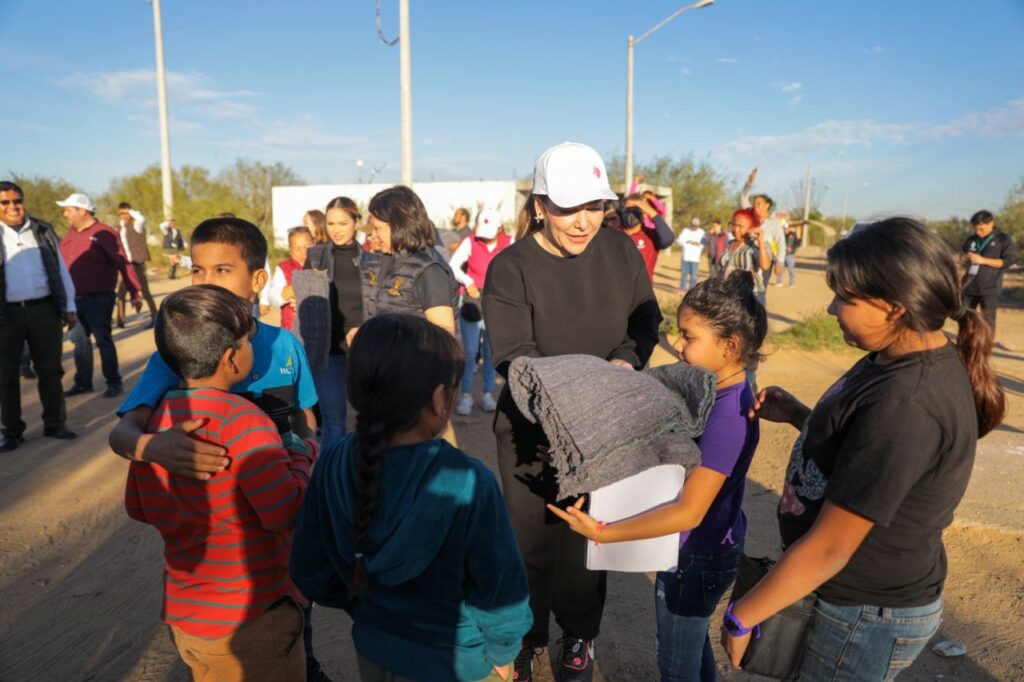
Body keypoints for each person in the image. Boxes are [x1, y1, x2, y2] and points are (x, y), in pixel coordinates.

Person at [721, 218, 1006, 680]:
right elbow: (862, 447)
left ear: (894, 308)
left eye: (845, 298)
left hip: (863, 612)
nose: (832, 308)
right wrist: (803, 417)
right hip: (853, 601)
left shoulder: (908, 403)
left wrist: (743, 615)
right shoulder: (898, 354)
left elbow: (831, 546)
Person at [108, 216, 329, 682]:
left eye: (222, 270)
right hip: (238, 567)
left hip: (280, 551)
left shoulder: (284, 346)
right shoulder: (177, 351)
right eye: (197, 270)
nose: (206, 281)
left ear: (258, 280)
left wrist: (308, 449)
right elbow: (122, 435)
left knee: (295, 623)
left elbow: (305, 415)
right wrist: (153, 448)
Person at [482, 142, 662, 682]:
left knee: (589, 538)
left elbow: (645, 320)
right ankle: (529, 638)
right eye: (567, 208)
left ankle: (579, 636)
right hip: (530, 431)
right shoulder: (510, 268)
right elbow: (516, 357)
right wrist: (585, 393)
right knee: (531, 542)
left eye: (594, 206)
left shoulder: (622, 251)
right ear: (539, 205)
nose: (583, 221)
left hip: (604, 430)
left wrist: (628, 361)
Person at [547, 272, 767, 682]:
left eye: (689, 337)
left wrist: (603, 532)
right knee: (692, 647)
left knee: (676, 666)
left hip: (695, 555)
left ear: (730, 345)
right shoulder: (714, 394)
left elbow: (688, 511)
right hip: (700, 549)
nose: (678, 347)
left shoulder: (726, 416)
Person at [290, 314, 532, 682]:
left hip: (374, 651)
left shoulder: (332, 462)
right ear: (440, 399)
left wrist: (365, 610)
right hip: (459, 666)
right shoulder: (469, 481)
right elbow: (501, 590)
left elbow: (311, 570)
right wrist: (502, 651)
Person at [0, 181, 78, 451]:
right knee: (5, 375)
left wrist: (69, 306)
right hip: (6, 315)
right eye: (5, 202)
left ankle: (55, 423)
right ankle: (11, 431)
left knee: (51, 370)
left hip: (44, 310)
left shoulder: (42, 230)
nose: (13, 207)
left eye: (17, 200)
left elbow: (61, 270)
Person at [58, 192, 142, 399]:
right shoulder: (70, 235)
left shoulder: (104, 233)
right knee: (79, 341)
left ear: (82, 211)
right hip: (74, 300)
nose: (65, 213)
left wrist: (134, 291)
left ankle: (113, 381)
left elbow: (122, 262)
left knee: (103, 340)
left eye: (68, 209)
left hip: (99, 298)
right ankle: (83, 382)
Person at [303, 197, 365, 450]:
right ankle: (331, 479)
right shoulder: (315, 256)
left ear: (356, 223)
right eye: (331, 223)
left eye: (343, 222)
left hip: (365, 351)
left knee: (369, 420)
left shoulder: (372, 260)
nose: (336, 229)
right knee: (333, 423)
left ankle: (365, 477)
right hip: (328, 353)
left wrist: (365, 328)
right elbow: (304, 297)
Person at [448, 208, 512, 416]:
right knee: (470, 350)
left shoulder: (510, 243)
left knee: (491, 352)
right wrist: (468, 281)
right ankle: (466, 394)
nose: (484, 236)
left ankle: (487, 393)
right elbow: (453, 266)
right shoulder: (471, 241)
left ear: (500, 229)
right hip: (472, 302)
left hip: (497, 304)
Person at [962, 209, 1015, 336]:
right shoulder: (971, 239)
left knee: (988, 321)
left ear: (991, 223)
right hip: (969, 287)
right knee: (965, 319)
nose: (978, 232)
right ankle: (966, 345)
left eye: (981, 229)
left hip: (989, 288)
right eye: (975, 229)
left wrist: (983, 260)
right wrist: (964, 258)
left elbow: (1007, 261)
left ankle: (986, 349)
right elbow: (963, 255)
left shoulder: (1003, 239)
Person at [607, 195, 674, 283]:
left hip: (642, 291)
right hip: (617, 287)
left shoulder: (650, 235)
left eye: (635, 209)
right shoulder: (614, 234)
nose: (630, 213)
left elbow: (668, 239)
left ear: (644, 213)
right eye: (627, 209)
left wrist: (650, 211)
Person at [740, 168, 786, 290]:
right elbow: (744, 197)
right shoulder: (750, 216)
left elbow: (781, 243)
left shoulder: (774, 223)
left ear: (767, 206)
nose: (755, 206)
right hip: (747, 258)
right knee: (744, 290)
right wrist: (749, 184)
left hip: (764, 260)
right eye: (754, 203)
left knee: (759, 291)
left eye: (758, 204)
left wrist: (779, 263)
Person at [115, 203, 158, 329]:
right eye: (120, 213)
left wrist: (131, 211)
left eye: (125, 213)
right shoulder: (120, 228)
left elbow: (141, 218)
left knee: (145, 292)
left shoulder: (137, 225)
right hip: (125, 265)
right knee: (121, 293)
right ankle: (120, 320)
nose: (123, 216)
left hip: (137, 264)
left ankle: (155, 318)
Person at [719, 209, 770, 306]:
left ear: (751, 228)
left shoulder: (755, 245)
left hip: (751, 297)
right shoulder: (729, 244)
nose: (736, 229)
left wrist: (761, 242)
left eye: (740, 226)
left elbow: (765, 266)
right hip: (729, 295)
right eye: (734, 225)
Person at [268, 226, 314, 331]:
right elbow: (273, 297)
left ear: (314, 243)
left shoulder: (322, 264)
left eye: (307, 247)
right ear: (290, 250)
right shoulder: (283, 268)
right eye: (297, 249)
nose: (303, 252)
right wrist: (290, 291)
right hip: (291, 329)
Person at [676, 218, 705, 293]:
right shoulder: (685, 231)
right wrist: (687, 242)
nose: (694, 227)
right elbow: (679, 241)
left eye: (696, 226)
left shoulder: (702, 232)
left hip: (695, 258)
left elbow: (703, 244)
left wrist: (698, 244)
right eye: (693, 225)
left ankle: (692, 291)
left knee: (694, 276)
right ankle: (682, 289)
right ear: (691, 224)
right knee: (684, 274)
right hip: (685, 257)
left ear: (698, 225)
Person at [779, 213, 802, 287]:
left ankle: (792, 283)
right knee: (781, 268)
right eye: (785, 228)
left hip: (790, 255)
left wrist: (792, 248)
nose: (786, 229)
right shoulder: (781, 234)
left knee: (791, 269)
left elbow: (798, 243)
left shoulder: (793, 234)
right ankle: (779, 282)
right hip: (782, 254)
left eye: (787, 228)